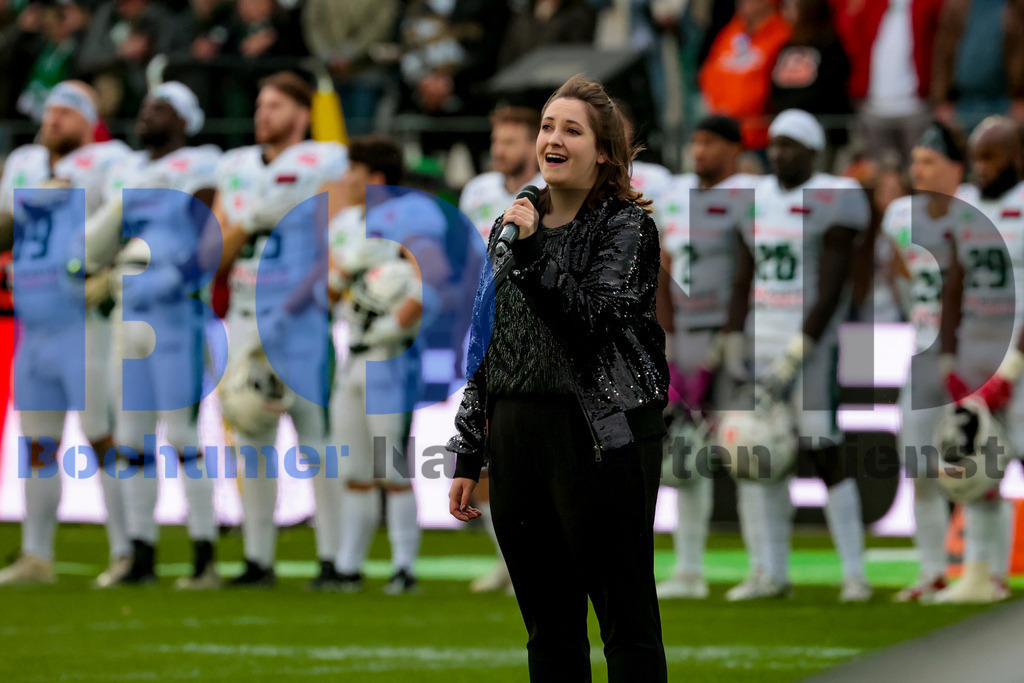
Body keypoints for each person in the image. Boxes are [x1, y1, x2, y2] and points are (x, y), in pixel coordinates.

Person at [447, 74, 669, 682]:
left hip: (604, 432)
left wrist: (536, 250)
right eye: (548, 126)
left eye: (572, 129)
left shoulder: (627, 227)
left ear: (603, 152)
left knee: (626, 622)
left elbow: (592, 323)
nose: (553, 137)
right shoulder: (509, 228)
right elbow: (487, 341)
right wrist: (469, 448)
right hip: (519, 433)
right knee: (548, 628)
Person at [202, 71, 348, 587]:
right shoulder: (235, 165)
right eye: (260, 104)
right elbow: (213, 256)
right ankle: (257, 558)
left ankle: (334, 560)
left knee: (317, 441)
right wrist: (249, 224)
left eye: (277, 105)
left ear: (302, 114)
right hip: (243, 314)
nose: (264, 114)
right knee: (251, 438)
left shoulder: (325, 159)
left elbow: (337, 231)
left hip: (301, 315)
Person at [722, 109, 873, 602]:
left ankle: (854, 572)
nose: (780, 153)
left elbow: (833, 287)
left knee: (823, 450)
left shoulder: (835, 196)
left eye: (791, 145)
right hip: (761, 338)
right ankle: (768, 571)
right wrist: (734, 335)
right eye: (775, 144)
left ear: (813, 152)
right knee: (753, 455)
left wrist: (798, 351)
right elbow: (744, 273)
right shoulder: (757, 197)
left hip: (808, 344)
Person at [83, 82, 222, 587]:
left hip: (176, 312)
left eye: (159, 108)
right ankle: (140, 552)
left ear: (184, 119)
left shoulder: (202, 162)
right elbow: (99, 233)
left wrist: (178, 276)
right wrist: (89, 267)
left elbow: (212, 230)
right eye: (143, 106)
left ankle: (204, 553)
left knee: (182, 434)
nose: (145, 115)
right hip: (130, 309)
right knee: (129, 436)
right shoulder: (126, 170)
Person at [0, 81, 133, 586]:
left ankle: (125, 550)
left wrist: (107, 268)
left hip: (84, 325)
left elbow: (129, 211)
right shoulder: (25, 162)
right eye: (49, 111)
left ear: (88, 119)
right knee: (37, 445)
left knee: (102, 437)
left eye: (66, 112)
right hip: (33, 325)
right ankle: (36, 554)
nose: (53, 119)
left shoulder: (107, 160)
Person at [328, 135, 445, 594]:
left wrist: (397, 323)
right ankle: (348, 565)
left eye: (353, 171)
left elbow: (433, 277)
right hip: (352, 350)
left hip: (389, 354)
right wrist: (340, 276)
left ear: (374, 178)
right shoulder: (344, 224)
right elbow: (330, 294)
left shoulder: (409, 217)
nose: (345, 180)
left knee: (391, 466)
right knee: (355, 470)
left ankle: (404, 566)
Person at [653, 115, 761, 600]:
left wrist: (730, 334)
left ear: (736, 148)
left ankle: (764, 567)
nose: (699, 150)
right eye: (695, 140)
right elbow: (662, 267)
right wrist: (667, 342)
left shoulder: (748, 193)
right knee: (684, 455)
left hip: (735, 334)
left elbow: (749, 267)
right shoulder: (675, 193)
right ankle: (690, 570)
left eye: (711, 141)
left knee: (746, 450)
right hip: (686, 333)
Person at [933, 116, 1024, 603]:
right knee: (979, 467)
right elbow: (953, 283)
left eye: (992, 156)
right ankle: (982, 575)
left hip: (1019, 355)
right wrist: (948, 357)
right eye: (977, 156)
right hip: (975, 350)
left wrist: (1013, 365)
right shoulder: (964, 205)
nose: (981, 167)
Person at [456, 105, 543, 594]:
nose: (499, 149)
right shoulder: (479, 192)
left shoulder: (553, 193)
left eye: (510, 140)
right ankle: (509, 560)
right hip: (487, 333)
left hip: (536, 338)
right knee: (487, 452)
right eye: (497, 139)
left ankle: (541, 559)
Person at [878, 121, 967, 602]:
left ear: (956, 167)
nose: (917, 170)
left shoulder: (981, 208)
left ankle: (984, 571)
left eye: (928, 160)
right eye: (914, 161)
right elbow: (901, 273)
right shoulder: (900, 215)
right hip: (925, 348)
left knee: (979, 464)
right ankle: (933, 570)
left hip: (973, 354)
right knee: (917, 460)